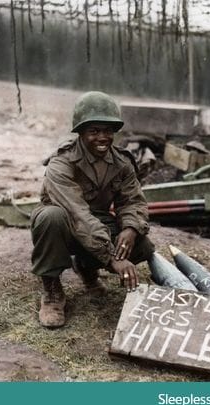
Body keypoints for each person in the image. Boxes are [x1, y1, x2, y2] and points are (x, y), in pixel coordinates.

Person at [30, 91, 155, 328]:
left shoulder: (121, 163)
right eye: (94, 131)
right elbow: (76, 213)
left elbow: (133, 201)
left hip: (93, 223)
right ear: (80, 133)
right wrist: (111, 257)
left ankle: (87, 268)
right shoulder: (62, 163)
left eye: (108, 130)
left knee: (143, 245)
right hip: (64, 223)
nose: (102, 137)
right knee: (51, 217)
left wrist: (130, 228)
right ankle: (52, 290)